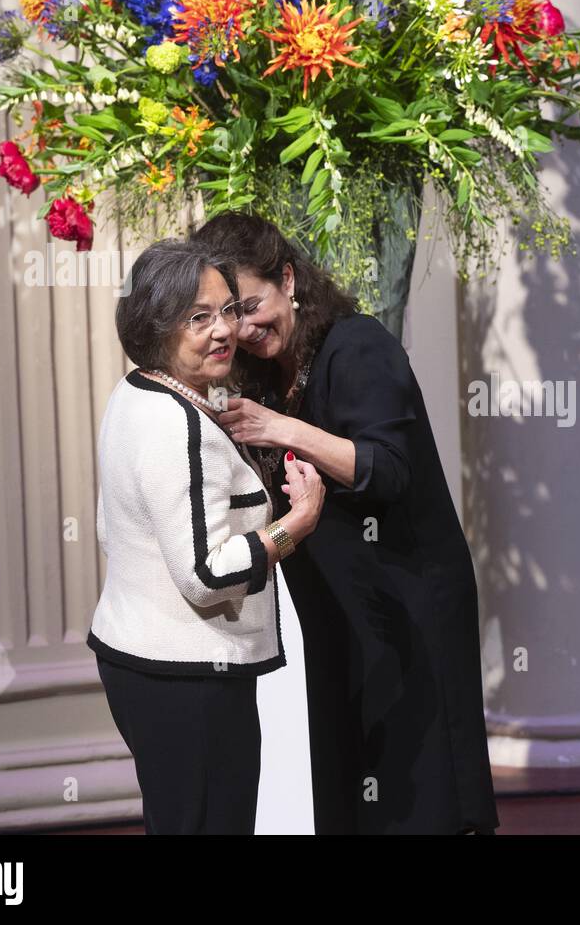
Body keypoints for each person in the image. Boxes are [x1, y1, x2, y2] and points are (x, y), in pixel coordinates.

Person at [192, 212, 499, 834]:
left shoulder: (357, 345)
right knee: (356, 790)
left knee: (419, 795)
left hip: (407, 607)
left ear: (288, 277)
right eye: (230, 317)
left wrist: (278, 429)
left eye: (252, 306)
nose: (246, 329)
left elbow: (387, 470)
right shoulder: (269, 375)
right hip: (342, 614)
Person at [88, 239, 325, 834]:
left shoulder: (135, 393)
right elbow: (207, 574)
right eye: (199, 317)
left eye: (226, 310)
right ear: (156, 327)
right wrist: (293, 526)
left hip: (146, 666)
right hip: (188, 680)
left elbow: (109, 529)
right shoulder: (178, 427)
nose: (223, 331)